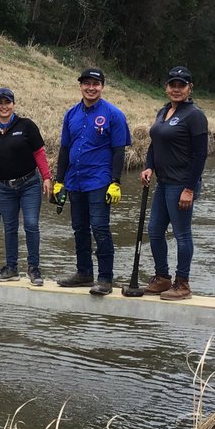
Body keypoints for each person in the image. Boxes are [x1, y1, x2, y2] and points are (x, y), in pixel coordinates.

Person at [53, 67, 129, 296]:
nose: (91, 87)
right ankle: (84, 273)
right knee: (79, 229)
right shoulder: (71, 114)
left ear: (102, 86)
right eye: (87, 83)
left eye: (95, 84)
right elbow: (64, 149)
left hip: (99, 181)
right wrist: (59, 180)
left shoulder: (114, 114)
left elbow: (119, 151)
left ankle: (105, 278)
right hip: (75, 181)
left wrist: (116, 181)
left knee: (100, 228)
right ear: (81, 86)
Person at [138, 66, 208, 301]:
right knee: (155, 231)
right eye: (173, 85)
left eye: (182, 85)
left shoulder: (195, 115)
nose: (176, 89)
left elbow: (200, 155)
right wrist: (149, 166)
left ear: (190, 88)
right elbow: (154, 144)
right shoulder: (164, 111)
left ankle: (183, 283)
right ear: (166, 87)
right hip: (163, 182)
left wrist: (189, 188)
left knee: (181, 234)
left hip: (182, 184)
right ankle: (162, 278)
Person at [0, 87, 51, 287]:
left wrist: (46, 177)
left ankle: (34, 269)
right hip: (5, 188)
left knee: (30, 224)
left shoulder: (27, 125)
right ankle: (11, 268)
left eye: (7, 102)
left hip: (29, 184)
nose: (4, 107)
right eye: (0, 103)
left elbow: (39, 153)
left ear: (14, 104)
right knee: (10, 228)